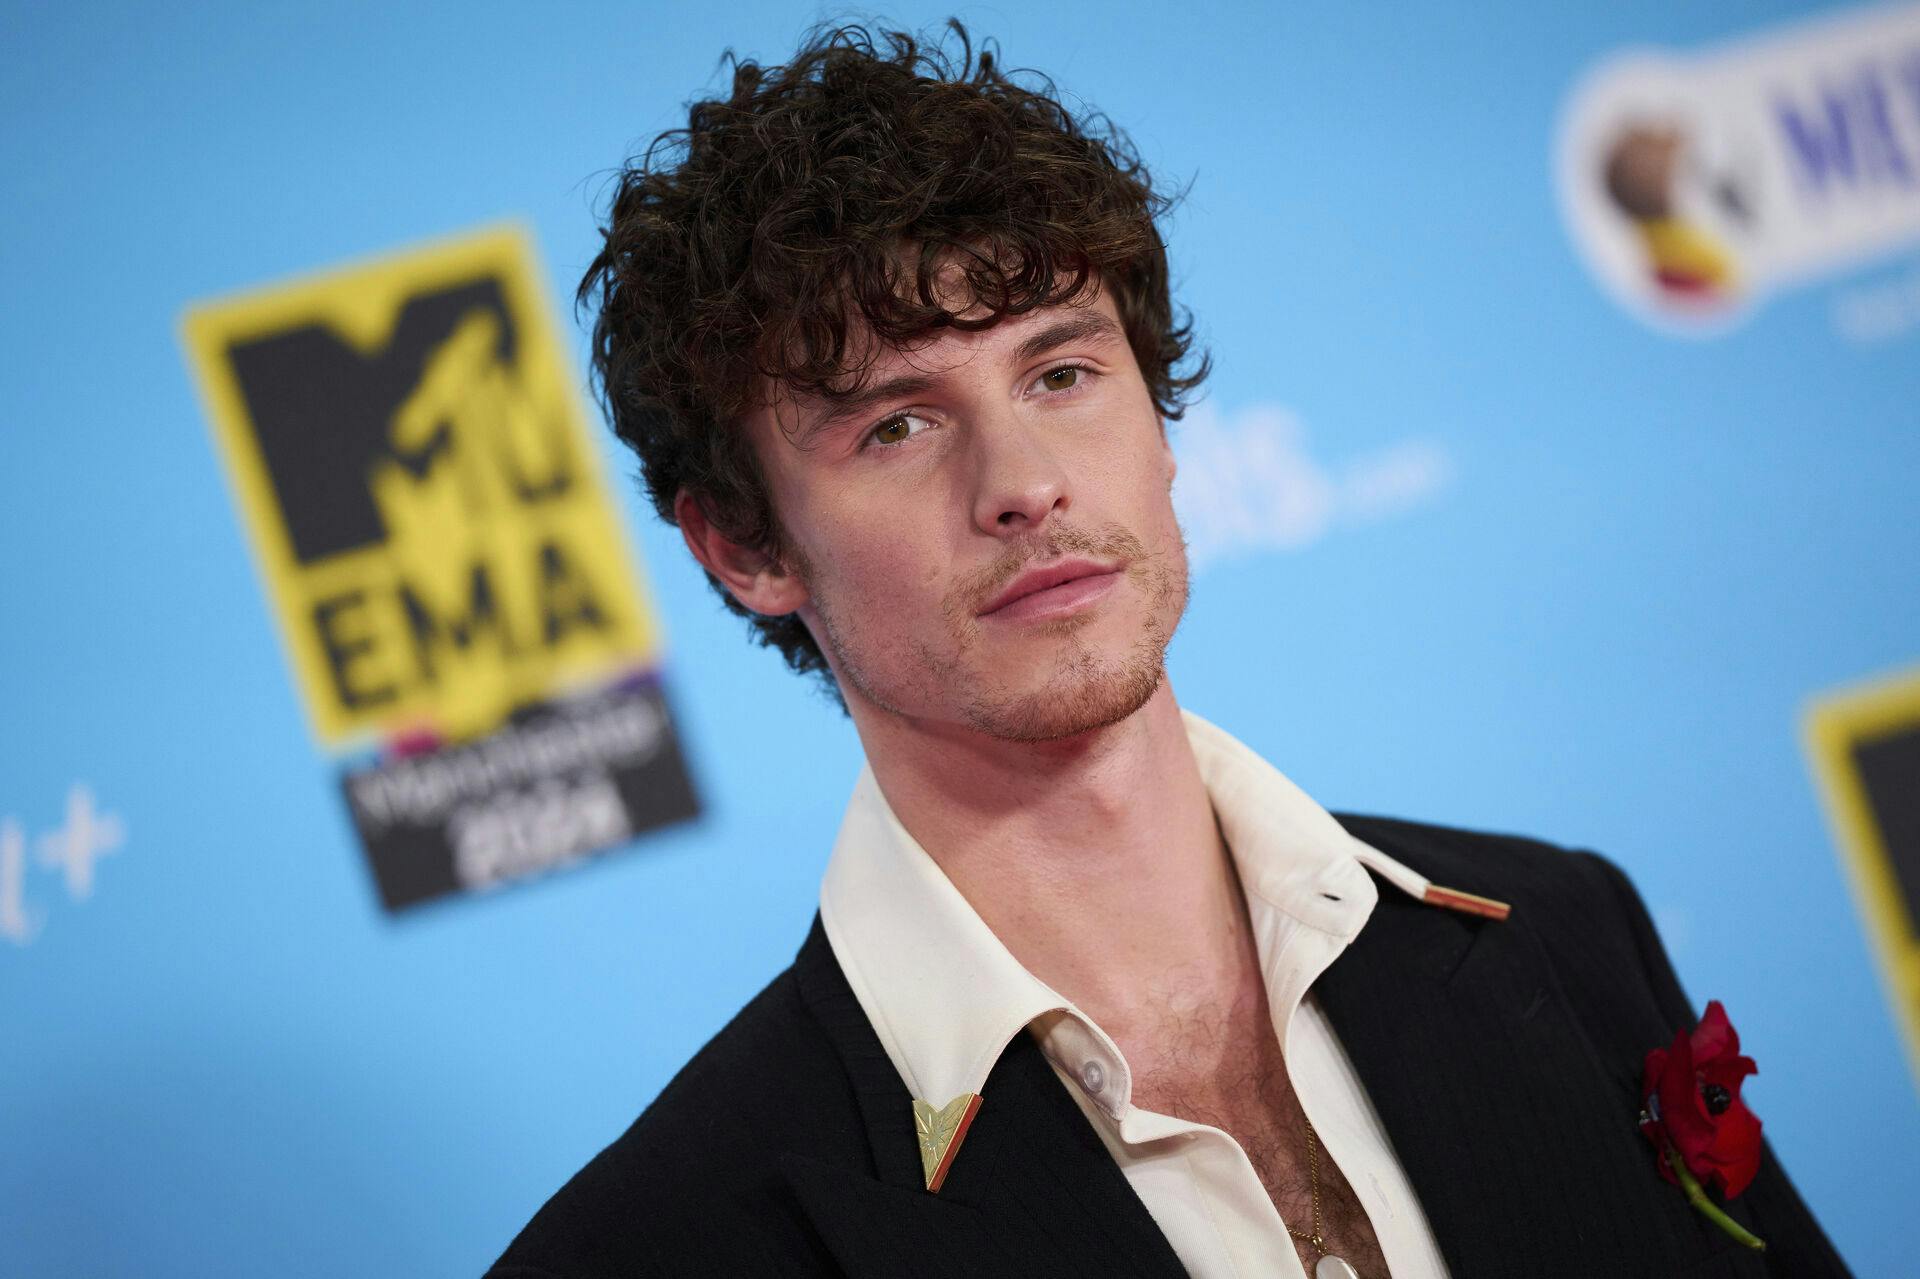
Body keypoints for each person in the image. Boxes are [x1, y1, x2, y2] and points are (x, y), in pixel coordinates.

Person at [488, 22, 1848, 1279]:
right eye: (895, 425)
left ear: (1159, 415)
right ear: (744, 549)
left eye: (1061, 373)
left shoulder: (1560, 931)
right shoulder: (664, 1244)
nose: (1022, 482)